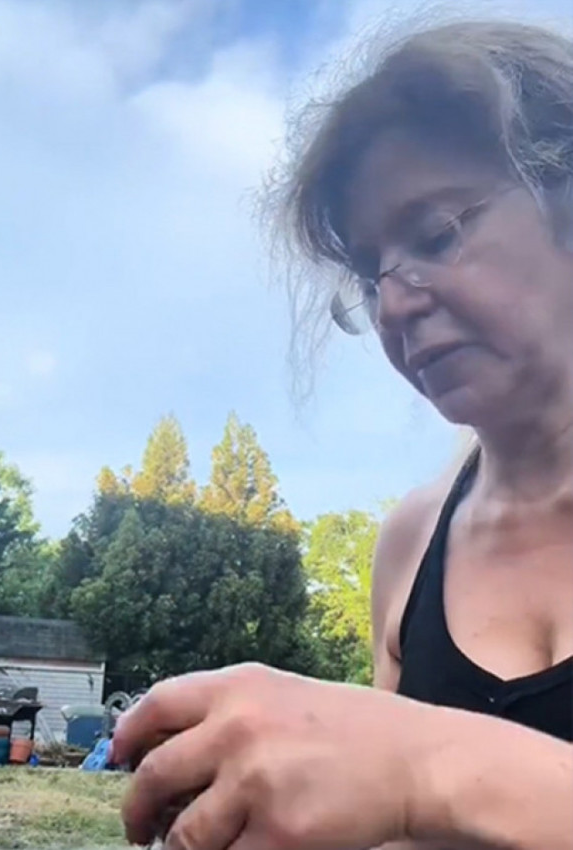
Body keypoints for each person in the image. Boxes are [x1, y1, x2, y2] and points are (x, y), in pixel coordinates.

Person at [112, 15, 573, 850]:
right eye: (368, 276)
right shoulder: (411, 539)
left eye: (435, 235)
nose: (395, 305)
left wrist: (419, 765)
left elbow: (411, 779)